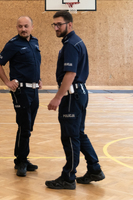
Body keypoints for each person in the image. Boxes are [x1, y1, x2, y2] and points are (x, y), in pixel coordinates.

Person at [45, 11, 105, 190]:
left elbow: (70, 74)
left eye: (59, 24)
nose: (56, 28)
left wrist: (58, 97)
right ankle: (94, 169)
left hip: (72, 96)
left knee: (70, 137)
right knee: (78, 134)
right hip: (79, 94)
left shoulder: (71, 44)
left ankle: (68, 177)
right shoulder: (74, 41)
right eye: (54, 25)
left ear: (69, 25)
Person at [0, 16, 42, 177]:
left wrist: (38, 79)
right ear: (17, 28)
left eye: (26, 26)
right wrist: (7, 81)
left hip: (34, 90)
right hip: (20, 91)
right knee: (24, 125)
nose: (23, 29)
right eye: (20, 26)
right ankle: (21, 160)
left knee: (28, 126)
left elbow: (33, 64)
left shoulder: (34, 42)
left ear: (32, 27)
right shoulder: (13, 44)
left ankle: (21, 158)